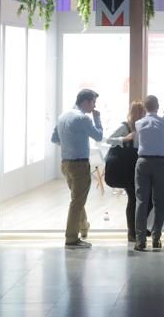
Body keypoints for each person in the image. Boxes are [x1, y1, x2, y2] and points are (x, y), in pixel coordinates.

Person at [54, 88, 103, 249]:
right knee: (77, 202)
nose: (94, 106)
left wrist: (69, 146)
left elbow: (54, 138)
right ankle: (71, 238)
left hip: (65, 163)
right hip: (80, 164)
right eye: (93, 102)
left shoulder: (62, 116)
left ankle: (83, 227)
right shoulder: (84, 118)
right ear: (86, 101)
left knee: (77, 198)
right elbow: (98, 136)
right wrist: (97, 119)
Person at [133, 95, 164, 251]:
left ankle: (140, 240)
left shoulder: (138, 123)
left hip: (143, 162)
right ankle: (156, 238)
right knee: (159, 202)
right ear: (158, 106)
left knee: (141, 202)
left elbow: (136, 144)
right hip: (160, 163)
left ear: (145, 106)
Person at [107, 100, 144, 243]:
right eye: (140, 112)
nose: (142, 115)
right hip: (127, 167)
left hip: (136, 164)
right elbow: (109, 139)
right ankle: (132, 231)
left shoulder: (143, 126)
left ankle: (136, 229)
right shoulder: (125, 127)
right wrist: (124, 138)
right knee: (133, 198)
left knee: (137, 198)